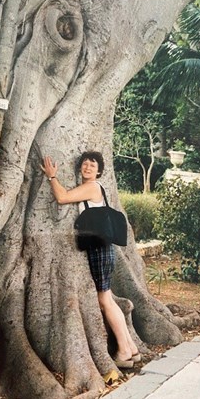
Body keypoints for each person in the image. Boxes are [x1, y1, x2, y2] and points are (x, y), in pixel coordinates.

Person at [41, 151, 140, 368]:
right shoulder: (96, 188)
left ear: (99, 171)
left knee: (104, 299)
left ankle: (123, 351)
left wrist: (51, 177)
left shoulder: (93, 187)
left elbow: (62, 197)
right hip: (103, 248)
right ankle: (131, 347)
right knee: (108, 299)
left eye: (92, 165)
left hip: (99, 249)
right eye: (85, 164)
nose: (87, 167)